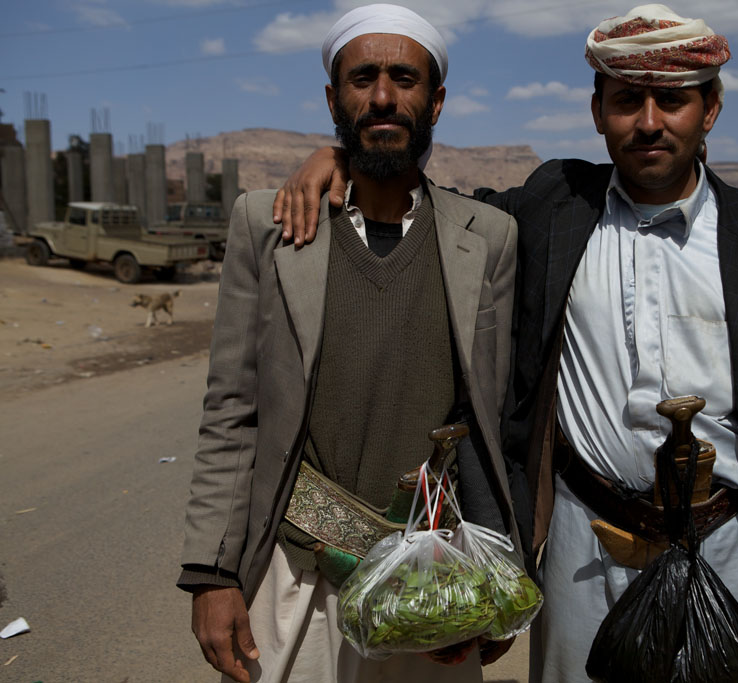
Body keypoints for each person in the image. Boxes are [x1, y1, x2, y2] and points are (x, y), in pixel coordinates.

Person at [274, 6, 738, 682]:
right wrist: (342, 153)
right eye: (626, 100)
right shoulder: (554, 205)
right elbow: (439, 207)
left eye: (672, 100)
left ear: (710, 109)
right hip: (582, 551)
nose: (649, 121)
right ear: (597, 111)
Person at [178, 6, 520, 682]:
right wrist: (212, 572)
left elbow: (489, 422)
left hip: (430, 579)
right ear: (334, 99)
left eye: (404, 78)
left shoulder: (488, 237)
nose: (384, 96)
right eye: (363, 79)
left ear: (437, 100)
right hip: (294, 572)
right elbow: (232, 411)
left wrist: (497, 571)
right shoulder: (266, 224)